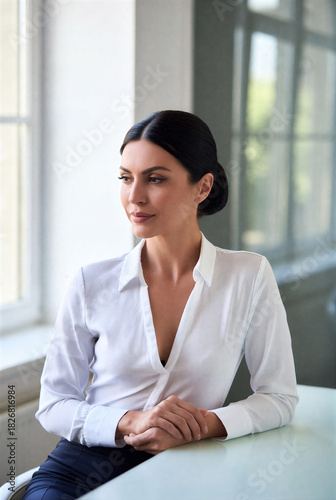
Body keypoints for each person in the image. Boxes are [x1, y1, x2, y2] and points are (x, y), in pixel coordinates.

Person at [23, 110, 298, 499]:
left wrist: (205, 424)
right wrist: (131, 421)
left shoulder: (249, 276)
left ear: (202, 188)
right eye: (125, 177)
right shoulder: (91, 282)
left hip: (188, 467)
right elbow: (54, 403)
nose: (134, 196)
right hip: (81, 468)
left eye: (155, 179)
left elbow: (279, 398)